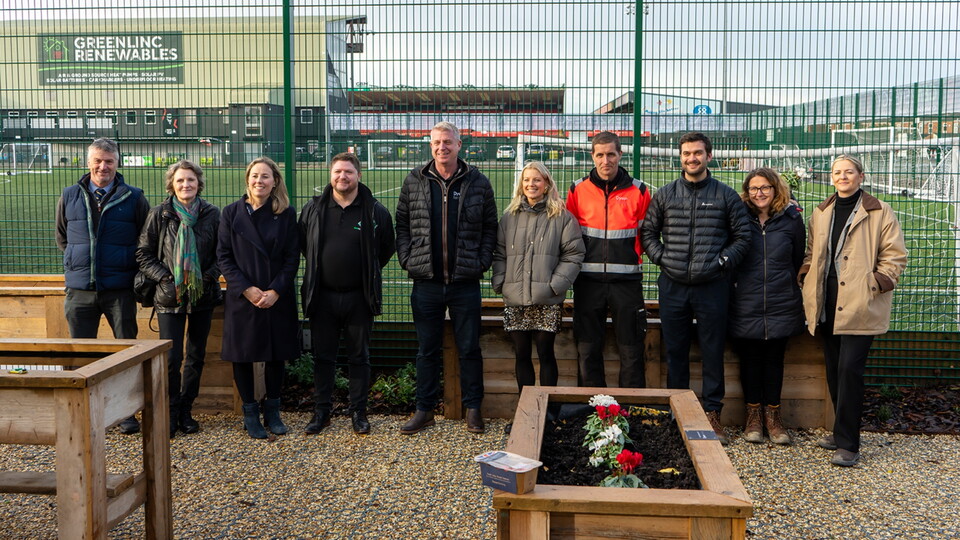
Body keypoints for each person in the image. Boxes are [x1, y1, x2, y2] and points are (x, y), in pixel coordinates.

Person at [640, 132, 751, 445]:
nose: (692, 158)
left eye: (698, 153)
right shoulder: (664, 195)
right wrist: (664, 259)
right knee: (675, 352)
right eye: (687, 153)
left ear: (709, 156)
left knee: (713, 352)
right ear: (680, 157)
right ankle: (680, 413)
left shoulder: (726, 196)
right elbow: (648, 232)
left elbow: (743, 238)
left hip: (713, 287)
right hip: (673, 286)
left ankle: (712, 416)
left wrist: (720, 263)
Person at [798, 155, 907, 466]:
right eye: (837, 172)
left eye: (849, 172)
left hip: (861, 302)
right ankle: (839, 430)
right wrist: (806, 274)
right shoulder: (821, 212)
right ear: (831, 178)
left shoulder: (878, 211)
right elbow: (811, 251)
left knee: (849, 370)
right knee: (833, 369)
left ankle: (849, 444)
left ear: (861, 176)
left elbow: (895, 255)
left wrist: (876, 283)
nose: (842, 177)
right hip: (827, 302)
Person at [395, 121, 498, 435]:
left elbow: (490, 228)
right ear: (431, 145)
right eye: (437, 142)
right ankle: (424, 410)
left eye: (448, 142)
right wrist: (408, 258)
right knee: (427, 350)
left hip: (464, 283)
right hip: (425, 282)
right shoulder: (414, 180)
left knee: (469, 349)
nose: (443, 147)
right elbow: (402, 224)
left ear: (459, 144)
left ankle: (473, 409)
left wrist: (479, 262)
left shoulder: (478, 181)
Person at [55, 137, 150, 435]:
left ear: (117, 162)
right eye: (97, 160)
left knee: (125, 351)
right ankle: (80, 412)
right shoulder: (70, 195)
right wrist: (79, 263)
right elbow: (63, 238)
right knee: (79, 353)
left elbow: (145, 240)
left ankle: (126, 413)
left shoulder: (134, 197)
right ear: (88, 163)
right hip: (80, 289)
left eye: (109, 160)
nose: (103, 166)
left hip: (119, 288)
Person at [299, 152, 395, 436]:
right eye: (338, 171)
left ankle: (358, 413)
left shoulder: (375, 211)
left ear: (358, 175)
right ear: (331, 175)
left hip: (359, 297)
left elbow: (385, 249)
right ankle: (321, 412)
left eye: (348, 172)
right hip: (323, 296)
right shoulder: (313, 209)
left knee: (359, 357)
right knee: (323, 357)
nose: (343, 177)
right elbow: (305, 246)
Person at [137, 160, 222, 437]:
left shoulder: (212, 214)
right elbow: (143, 253)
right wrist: (164, 277)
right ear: (172, 185)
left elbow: (223, 254)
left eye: (191, 180)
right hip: (168, 296)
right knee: (172, 359)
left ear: (199, 183)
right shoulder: (160, 214)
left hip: (202, 296)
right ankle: (171, 412)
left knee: (196, 356)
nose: (186, 185)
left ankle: (187, 410)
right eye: (180, 181)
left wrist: (207, 277)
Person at [218, 157, 300, 439]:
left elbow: (292, 258)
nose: (259, 181)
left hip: (276, 296)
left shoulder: (286, 214)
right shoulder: (231, 213)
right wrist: (246, 289)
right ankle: (250, 413)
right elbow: (224, 257)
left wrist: (276, 290)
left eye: (265, 176)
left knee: (276, 354)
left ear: (275, 181)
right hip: (244, 298)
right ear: (247, 179)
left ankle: (273, 412)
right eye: (255, 176)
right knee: (242, 356)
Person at [492, 161, 584, 414]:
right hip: (515, 298)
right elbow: (499, 253)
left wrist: (555, 286)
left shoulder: (562, 217)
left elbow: (574, 255)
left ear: (546, 184)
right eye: (526, 180)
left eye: (536, 180)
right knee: (521, 354)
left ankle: (549, 411)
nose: (531, 184)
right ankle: (526, 411)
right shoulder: (509, 217)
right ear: (521, 185)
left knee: (545, 353)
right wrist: (500, 282)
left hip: (547, 298)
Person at [566, 131, 651, 388]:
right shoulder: (577, 190)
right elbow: (568, 237)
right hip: (587, 282)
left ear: (620, 154)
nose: (606, 160)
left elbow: (646, 235)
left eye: (611, 154)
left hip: (627, 283)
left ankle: (630, 410)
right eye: (600, 155)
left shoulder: (640, 191)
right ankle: (592, 410)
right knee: (588, 349)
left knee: (631, 349)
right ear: (592, 156)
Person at [727, 168, 805, 445]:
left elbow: (797, 258)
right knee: (749, 359)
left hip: (780, 300)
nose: (759, 193)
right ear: (747, 192)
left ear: (775, 190)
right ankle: (752, 418)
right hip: (745, 301)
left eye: (765, 188)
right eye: (753, 188)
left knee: (774, 360)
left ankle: (773, 417)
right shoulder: (739, 218)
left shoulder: (792, 220)